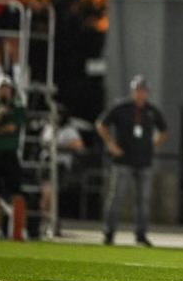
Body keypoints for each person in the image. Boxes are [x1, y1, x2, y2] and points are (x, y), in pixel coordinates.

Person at [96, 75, 168, 246]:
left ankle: (141, 235)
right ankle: (109, 232)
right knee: (116, 198)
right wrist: (110, 144)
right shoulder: (121, 107)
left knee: (143, 201)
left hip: (144, 161)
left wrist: (153, 144)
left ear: (147, 93)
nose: (140, 94)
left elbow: (164, 130)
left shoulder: (151, 110)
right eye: (137, 90)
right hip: (123, 160)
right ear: (132, 91)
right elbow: (101, 124)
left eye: (143, 90)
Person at [39, 104, 86, 237]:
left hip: (61, 165)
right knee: (45, 196)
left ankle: (54, 223)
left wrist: (60, 145)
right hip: (48, 163)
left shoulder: (69, 130)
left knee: (54, 195)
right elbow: (43, 142)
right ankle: (45, 223)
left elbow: (79, 145)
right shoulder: (48, 128)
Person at [0, 74, 26, 239]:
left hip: (10, 153)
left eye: (7, 88)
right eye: (2, 88)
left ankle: (19, 229)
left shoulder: (17, 107)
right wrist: (0, 116)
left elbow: (12, 128)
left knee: (16, 192)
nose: (5, 91)